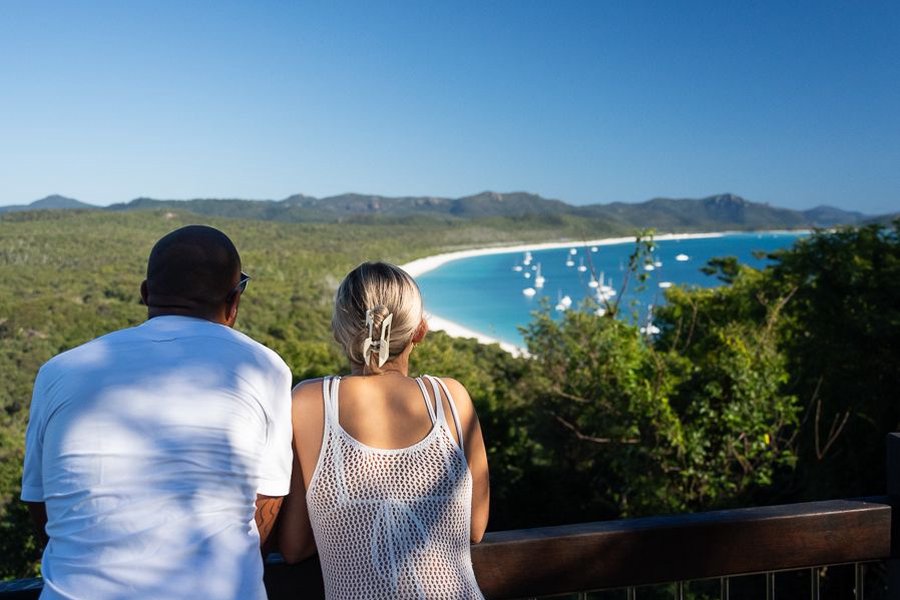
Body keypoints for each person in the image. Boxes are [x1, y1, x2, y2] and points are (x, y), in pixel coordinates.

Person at [20, 225, 293, 600]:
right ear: (233, 302)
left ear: (146, 293)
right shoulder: (264, 367)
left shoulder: (58, 371)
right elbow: (269, 500)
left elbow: (40, 501)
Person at [278, 261, 490, 599]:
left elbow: (293, 547)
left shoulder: (309, 402)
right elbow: (475, 528)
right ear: (420, 331)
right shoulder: (452, 398)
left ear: (339, 331)